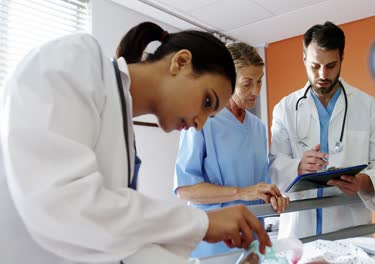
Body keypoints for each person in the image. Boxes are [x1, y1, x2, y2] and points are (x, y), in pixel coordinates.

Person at [0, 22, 271, 264]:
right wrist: (201, 223)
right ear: (180, 62)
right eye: (207, 101)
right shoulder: (78, 58)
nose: (200, 124)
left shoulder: (123, 133)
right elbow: (63, 207)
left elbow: (118, 237)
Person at [269, 21, 375, 239]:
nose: (322, 74)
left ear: (342, 59)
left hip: (350, 225)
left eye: (330, 66)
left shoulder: (370, 108)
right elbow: (274, 165)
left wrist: (362, 182)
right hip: (300, 230)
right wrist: (298, 166)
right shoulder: (285, 109)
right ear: (304, 59)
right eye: (314, 66)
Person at [174, 42, 290, 258]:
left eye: (259, 81)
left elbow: (258, 185)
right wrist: (242, 193)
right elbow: (185, 190)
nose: (255, 91)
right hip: (213, 243)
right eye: (247, 83)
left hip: (252, 240)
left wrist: (274, 196)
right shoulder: (201, 120)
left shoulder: (258, 127)